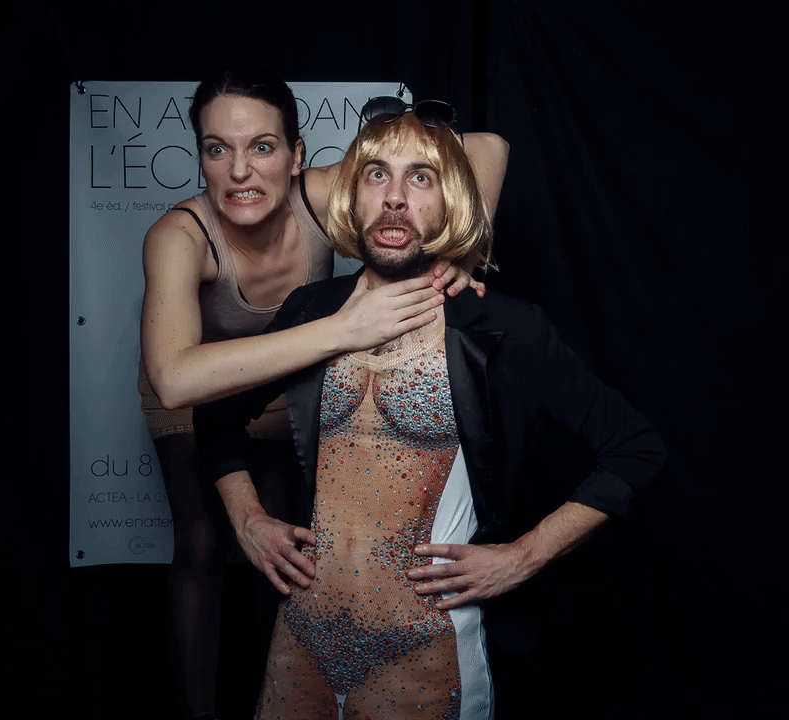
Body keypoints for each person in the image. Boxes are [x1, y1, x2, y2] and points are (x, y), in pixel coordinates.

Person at [193, 103, 665, 719]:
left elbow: (635, 447)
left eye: (421, 177)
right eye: (377, 174)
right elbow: (215, 415)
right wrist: (249, 520)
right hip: (301, 643)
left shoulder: (499, 327)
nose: (395, 198)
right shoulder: (313, 312)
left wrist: (523, 556)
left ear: (451, 202)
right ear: (352, 195)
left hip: (426, 649)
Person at [137, 66, 509, 720]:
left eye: (262, 147)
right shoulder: (178, 235)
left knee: (291, 550)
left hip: (287, 385)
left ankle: (284, 690)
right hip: (200, 390)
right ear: (200, 156)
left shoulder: (319, 194)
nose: (241, 172)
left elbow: (487, 148)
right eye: (217, 149)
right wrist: (342, 329)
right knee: (201, 542)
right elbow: (175, 379)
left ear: (296, 155)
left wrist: (461, 253)